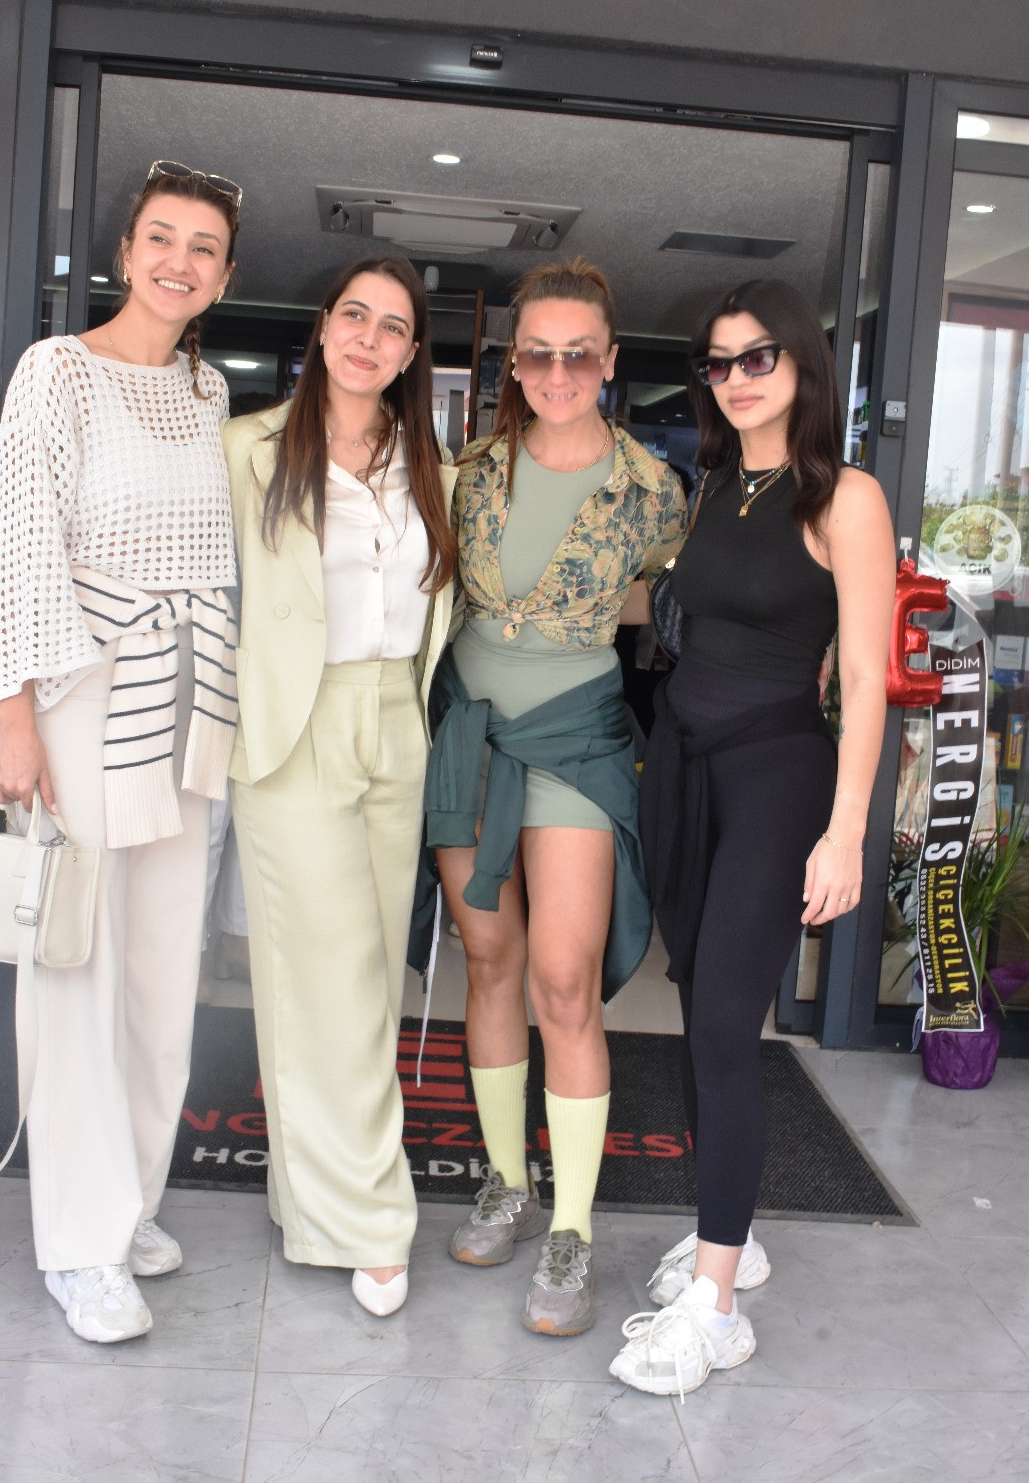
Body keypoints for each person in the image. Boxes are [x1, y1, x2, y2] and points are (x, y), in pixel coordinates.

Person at [609, 278, 895, 1397]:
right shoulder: (717, 485)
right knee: (698, 1014)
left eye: (757, 357)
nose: (734, 379)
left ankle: (716, 1308)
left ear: (803, 363)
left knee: (729, 1020)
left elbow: (863, 678)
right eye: (718, 362)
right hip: (685, 767)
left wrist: (845, 833)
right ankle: (725, 1233)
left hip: (778, 774)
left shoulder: (845, 497)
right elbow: (684, 616)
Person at [0, 159, 242, 1342]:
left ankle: (129, 1201)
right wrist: (16, 716)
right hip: (85, 692)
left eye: (202, 247)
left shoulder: (206, 389)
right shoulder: (58, 371)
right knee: (78, 967)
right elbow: (26, 544)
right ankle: (78, 1241)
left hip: (187, 701)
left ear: (224, 276)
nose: (178, 261)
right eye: (161, 238)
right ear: (125, 252)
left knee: (158, 972)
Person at [427, 257, 686, 1336]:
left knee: (563, 979)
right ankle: (507, 1182)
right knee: (489, 959)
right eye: (538, 351)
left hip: (576, 741)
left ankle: (571, 1229)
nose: (559, 369)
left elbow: (673, 601)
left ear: (609, 361)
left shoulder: (655, 491)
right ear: (514, 362)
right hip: (472, 737)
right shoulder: (467, 472)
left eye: (580, 352)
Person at [223, 255, 457, 1318]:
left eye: (392, 326)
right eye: (354, 315)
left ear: (411, 354)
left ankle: (307, 1198)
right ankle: (370, 1220)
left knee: (351, 976)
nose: (369, 337)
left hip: (395, 719)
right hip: (298, 719)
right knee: (337, 976)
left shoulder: (428, 460)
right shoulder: (249, 448)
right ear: (322, 327)